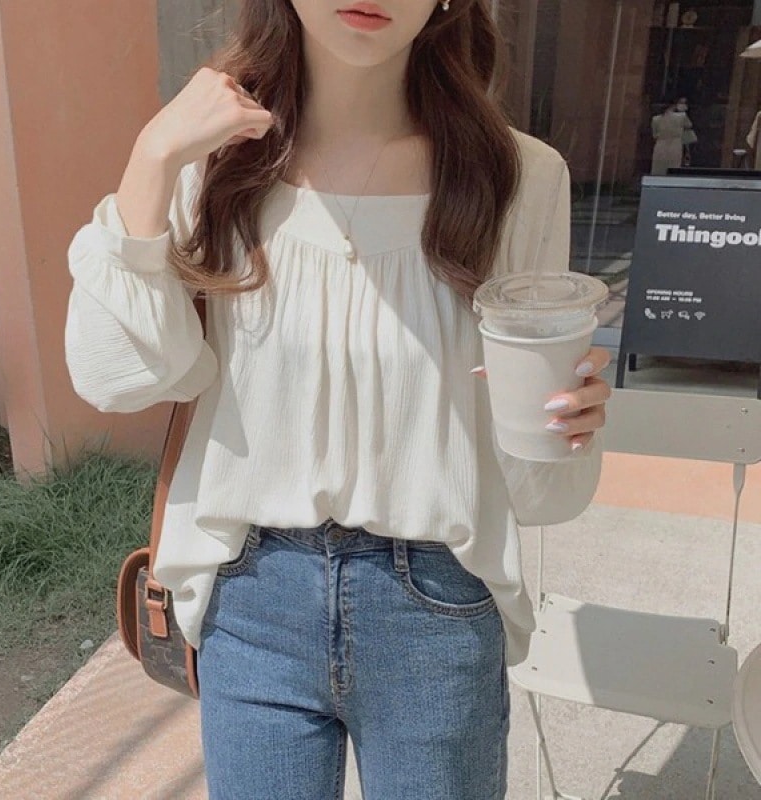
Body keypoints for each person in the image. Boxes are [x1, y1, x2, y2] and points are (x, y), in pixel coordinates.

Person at [64, 2, 611, 798]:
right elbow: (121, 377)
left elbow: (538, 488)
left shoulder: (518, 178)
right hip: (251, 606)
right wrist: (151, 159)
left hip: (436, 610)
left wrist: (566, 424)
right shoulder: (208, 161)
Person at [651, 97, 695, 175]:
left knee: (659, 169)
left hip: (660, 145)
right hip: (675, 145)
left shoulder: (655, 119)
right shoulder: (682, 116)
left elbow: (654, 136)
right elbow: (689, 125)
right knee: (673, 168)